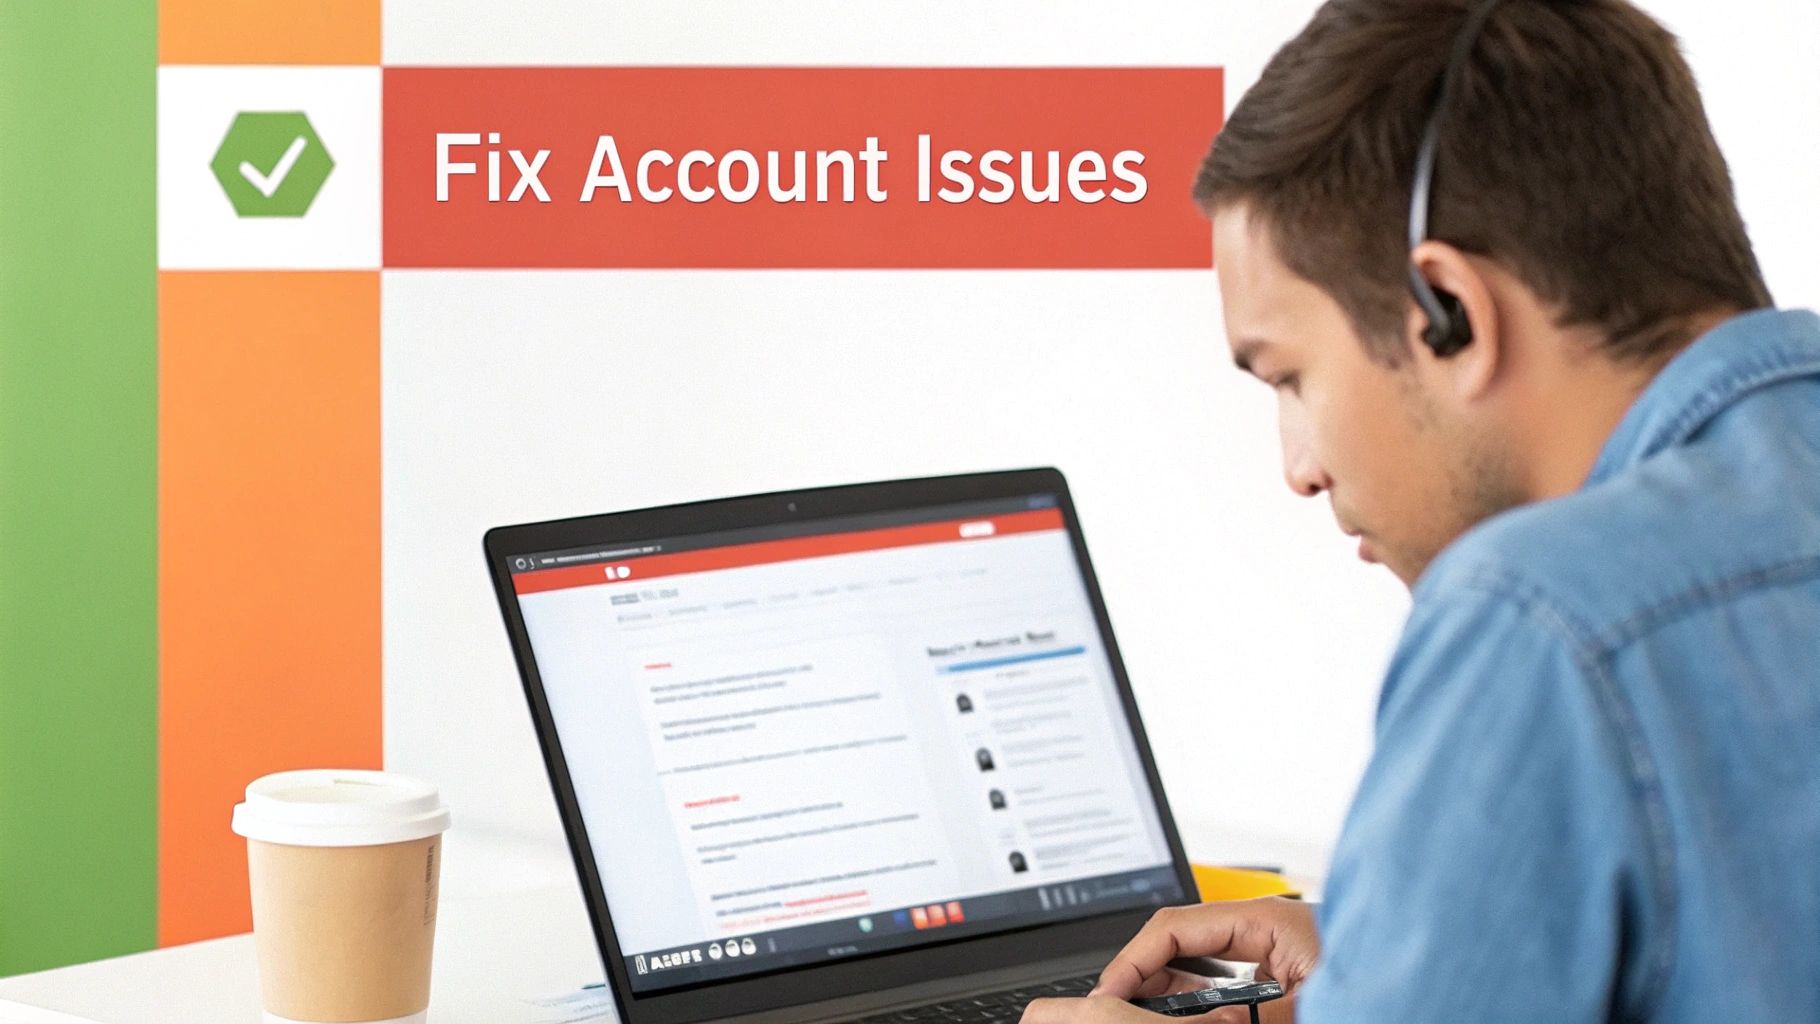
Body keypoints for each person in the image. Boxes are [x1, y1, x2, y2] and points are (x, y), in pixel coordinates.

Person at [1022, 0, 1819, 1021]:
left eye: (1290, 377)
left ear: (1447, 316)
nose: (1297, 468)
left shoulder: (1538, 617)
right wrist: (1393, 944)